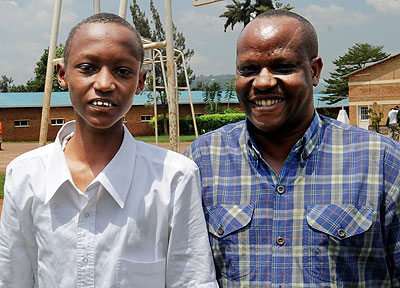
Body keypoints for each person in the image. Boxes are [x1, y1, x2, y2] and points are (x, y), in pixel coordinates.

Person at [185, 9, 400, 287]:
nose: (263, 82)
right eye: (248, 70)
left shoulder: (381, 161)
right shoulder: (204, 160)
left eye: (282, 67)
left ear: (314, 71)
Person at [0, 13, 217, 287]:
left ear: (140, 82)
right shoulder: (25, 176)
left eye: (122, 71)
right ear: (63, 74)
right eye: (88, 67)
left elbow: (191, 280)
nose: (104, 84)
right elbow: (13, 278)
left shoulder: (174, 178)